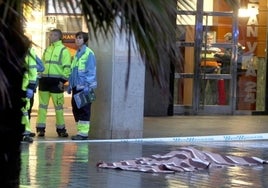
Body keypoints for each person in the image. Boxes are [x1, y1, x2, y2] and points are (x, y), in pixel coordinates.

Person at [36, 28, 71, 137]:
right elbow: (41, 65)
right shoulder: (47, 50)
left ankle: (61, 130)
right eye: (50, 35)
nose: (49, 36)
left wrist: (63, 81)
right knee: (42, 107)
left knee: (58, 108)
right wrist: (39, 77)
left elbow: (67, 68)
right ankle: (40, 129)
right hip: (44, 82)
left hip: (57, 83)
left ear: (58, 37)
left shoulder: (64, 50)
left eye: (52, 35)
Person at [67, 31, 97, 140]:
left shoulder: (89, 53)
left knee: (84, 110)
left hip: (84, 87)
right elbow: (73, 71)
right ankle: (80, 131)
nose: (77, 40)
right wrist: (70, 85)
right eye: (76, 38)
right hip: (76, 86)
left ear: (84, 40)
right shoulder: (77, 54)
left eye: (80, 38)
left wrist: (88, 86)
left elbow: (91, 71)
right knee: (76, 109)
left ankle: (83, 134)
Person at [21, 47, 38, 142]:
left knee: (23, 109)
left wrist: (31, 86)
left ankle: (25, 133)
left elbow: (32, 68)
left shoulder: (27, 48)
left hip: (23, 84)